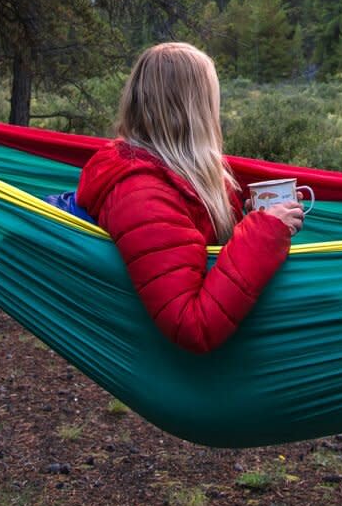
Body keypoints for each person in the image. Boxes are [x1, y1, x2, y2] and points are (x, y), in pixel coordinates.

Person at [77, 42, 303, 353]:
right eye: (211, 101)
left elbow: (195, 245)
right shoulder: (141, 196)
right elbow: (192, 324)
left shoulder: (181, 173)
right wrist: (262, 235)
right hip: (187, 369)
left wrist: (249, 223)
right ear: (191, 110)